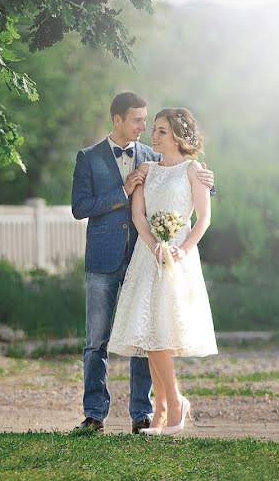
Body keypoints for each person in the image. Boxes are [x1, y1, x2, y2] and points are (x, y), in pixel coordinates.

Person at [71, 93, 215, 434]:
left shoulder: (152, 156)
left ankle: (143, 414)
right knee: (96, 340)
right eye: (137, 120)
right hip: (105, 259)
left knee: (144, 333)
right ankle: (94, 415)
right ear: (117, 119)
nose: (144, 127)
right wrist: (122, 191)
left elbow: (184, 175)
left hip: (148, 258)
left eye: (149, 122)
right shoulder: (89, 158)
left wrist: (211, 181)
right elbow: (80, 207)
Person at [108, 107, 218, 436]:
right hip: (149, 255)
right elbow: (138, 213)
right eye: (153, 129)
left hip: (177, 259)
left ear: (177, 137)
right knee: (152, 332)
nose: (153, 135)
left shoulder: (193, 170)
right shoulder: (147, 169)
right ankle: (163, 408)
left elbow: (203, 218)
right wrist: (153, 244)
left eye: (161, 131)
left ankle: (172, 403)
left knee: (163, 332)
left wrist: (180, 251)